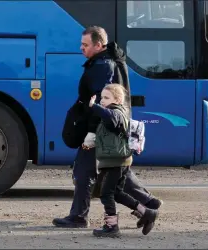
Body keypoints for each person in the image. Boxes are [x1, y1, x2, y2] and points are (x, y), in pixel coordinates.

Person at [53, 26, 162, 228]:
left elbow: (101, 102)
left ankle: (79, 216)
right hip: (106, 128)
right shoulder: (106, 61)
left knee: (86, 171)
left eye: (85, 45)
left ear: (98, 45)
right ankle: (148, 203)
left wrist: (93, 133)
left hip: (102, 129)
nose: (81, 48)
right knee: (115, 169)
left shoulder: (102, 66)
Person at [88, 83, 158, 237]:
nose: (103, 100)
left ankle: (112, 227)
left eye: (107, 98)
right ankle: (146, 212)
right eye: (102, 98)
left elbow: (111, 118)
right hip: (113, 160)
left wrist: (94, 106)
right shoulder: (110, 113)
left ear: (118, 100)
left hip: (116, 161)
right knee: (117, 193)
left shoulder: (117, 112)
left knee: (106, 194)